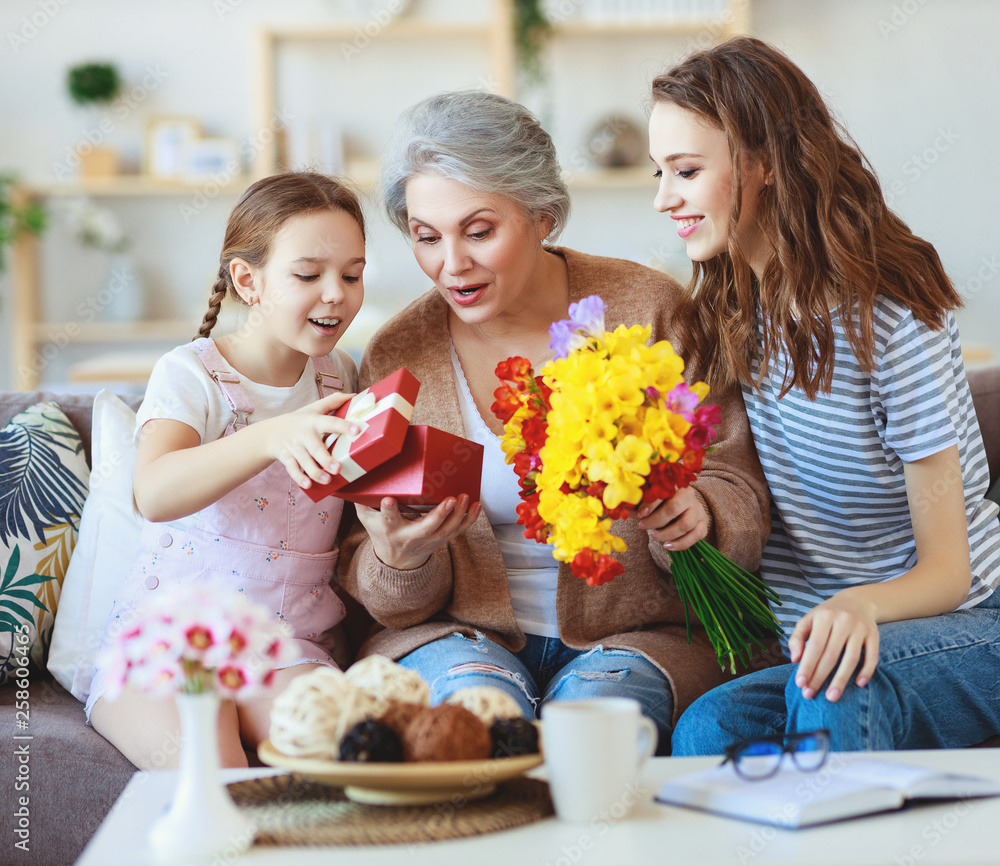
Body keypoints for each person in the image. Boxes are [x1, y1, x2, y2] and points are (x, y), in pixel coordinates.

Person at [337, 90, 770, 751]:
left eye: (479, 231)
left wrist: (697, 514)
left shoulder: (649, 311)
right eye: (427, 237)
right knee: (481, 727)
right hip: (458, 637)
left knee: (587, 733)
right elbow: (386, 592)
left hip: (638, 636)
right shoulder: (400, 355)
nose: (451, 264)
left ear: (543, 215)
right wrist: (400, 558)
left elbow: (737, 488)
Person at [647, 37, 1000, 754]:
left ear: (763, 163)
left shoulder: (892, 319)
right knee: (704, 732)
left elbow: (948, 570)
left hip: (968, 622)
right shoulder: (725, 316)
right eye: (660, 172)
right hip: (819, 645)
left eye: (685, 171)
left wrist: (855, 606)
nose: (663, 198)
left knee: (835, 688)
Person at [88, 172, 368, 768]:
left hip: (286, 647)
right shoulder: (190, 373)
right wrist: (271, 436)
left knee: (349, 757)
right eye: (308, 274)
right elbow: (155, 492)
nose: (336, 294)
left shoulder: (339, 374)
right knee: (215, 777)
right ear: (248, 279)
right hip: (174, 641)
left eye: (351, 274)